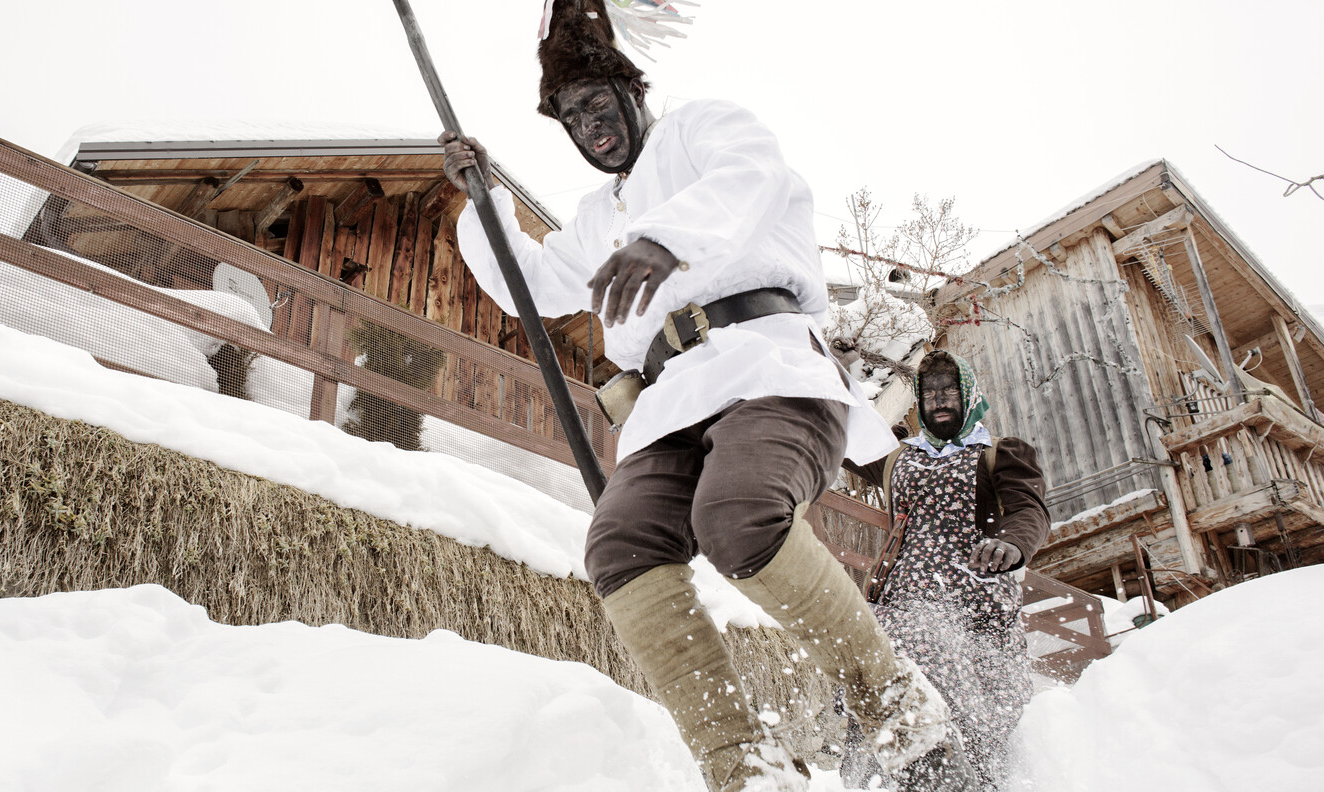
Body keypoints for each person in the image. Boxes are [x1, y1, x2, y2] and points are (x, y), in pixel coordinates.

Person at [438, 3, 974, 790]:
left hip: (768, 369)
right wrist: (482, 203)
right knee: (620, 545)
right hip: (668, 402)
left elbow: (750, 177)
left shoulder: (704, 131)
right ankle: (741, 762)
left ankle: (895, 705)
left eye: (597, 104)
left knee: (736, 515)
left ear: (632, 92)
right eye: (571, 117)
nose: (590, 127)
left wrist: (667, 241)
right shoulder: (595, 219)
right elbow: (538, 286)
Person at [842, 350, 1050, 790]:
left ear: (968, 395)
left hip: (977, 613)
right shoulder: (899, 457)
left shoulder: (998, 455)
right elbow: (846, 433)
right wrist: (827, 378)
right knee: (880, 699)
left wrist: (1011, 543)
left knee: (979, 720)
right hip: (901, 606)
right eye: (930, 393)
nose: (939, 401)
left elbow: (1029, 510)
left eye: (949, 392)